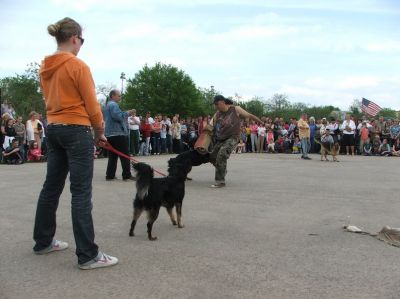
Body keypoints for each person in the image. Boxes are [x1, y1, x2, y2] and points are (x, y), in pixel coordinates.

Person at [33, 17, 118, 270]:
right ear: (74, 38)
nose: (82, 44)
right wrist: (99, 131)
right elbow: (92, 104)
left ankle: (43, 241)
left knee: (52, 187)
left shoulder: (45, 67)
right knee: (80, 192)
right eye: (81, 40)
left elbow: (49, 99)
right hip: (77, 128)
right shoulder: (77, 65)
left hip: (55, 127)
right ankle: (88, 254)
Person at [209, 95, 262, 188]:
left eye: (216, 104)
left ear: (222, 102)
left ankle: (220, 181)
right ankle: (222, 170)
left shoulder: (235, 109)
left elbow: (249, 115)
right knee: (212, 156)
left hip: (233, 137)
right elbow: (210, 126)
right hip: (221, 138)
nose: (215, 107)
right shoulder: (217, 114)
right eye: (214, 105)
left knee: (222, 154)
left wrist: (261, 123)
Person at [104, 89, 135, 181]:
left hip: (110, 134)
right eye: (119, 96)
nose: (120, 97)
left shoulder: (107, 106)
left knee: (113, 156)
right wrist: (128, 112)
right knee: (125, 155)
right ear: (112, 96)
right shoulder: (113, 105)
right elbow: (118, 116)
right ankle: (127, 175)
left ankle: (110, 175)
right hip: (118, 134)